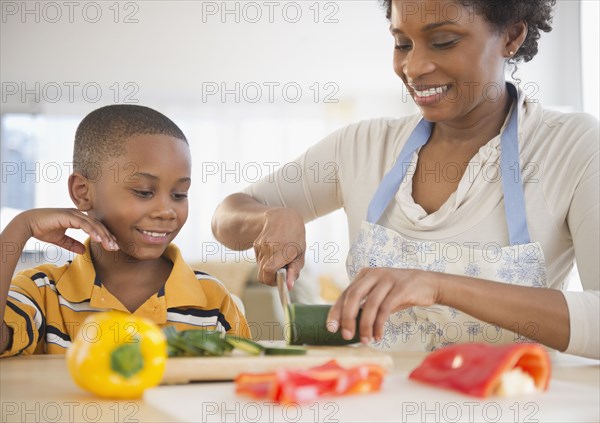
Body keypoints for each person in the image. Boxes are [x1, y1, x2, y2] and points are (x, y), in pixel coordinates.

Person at [212, 0, 599, 359]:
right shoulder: (362, 146)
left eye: (443, 41)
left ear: (512, 36)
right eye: (402, 43)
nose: (413, 67)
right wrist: (267, 219)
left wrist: (438, 286)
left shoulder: (571, 147)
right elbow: (227, 218)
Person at [0, 105, 250, 357]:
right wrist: (21, 227)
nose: (166, 211)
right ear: (82, 192)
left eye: (179, 195)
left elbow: (242, 384)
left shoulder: (213, 300)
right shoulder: (43, 291)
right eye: (144, 191)